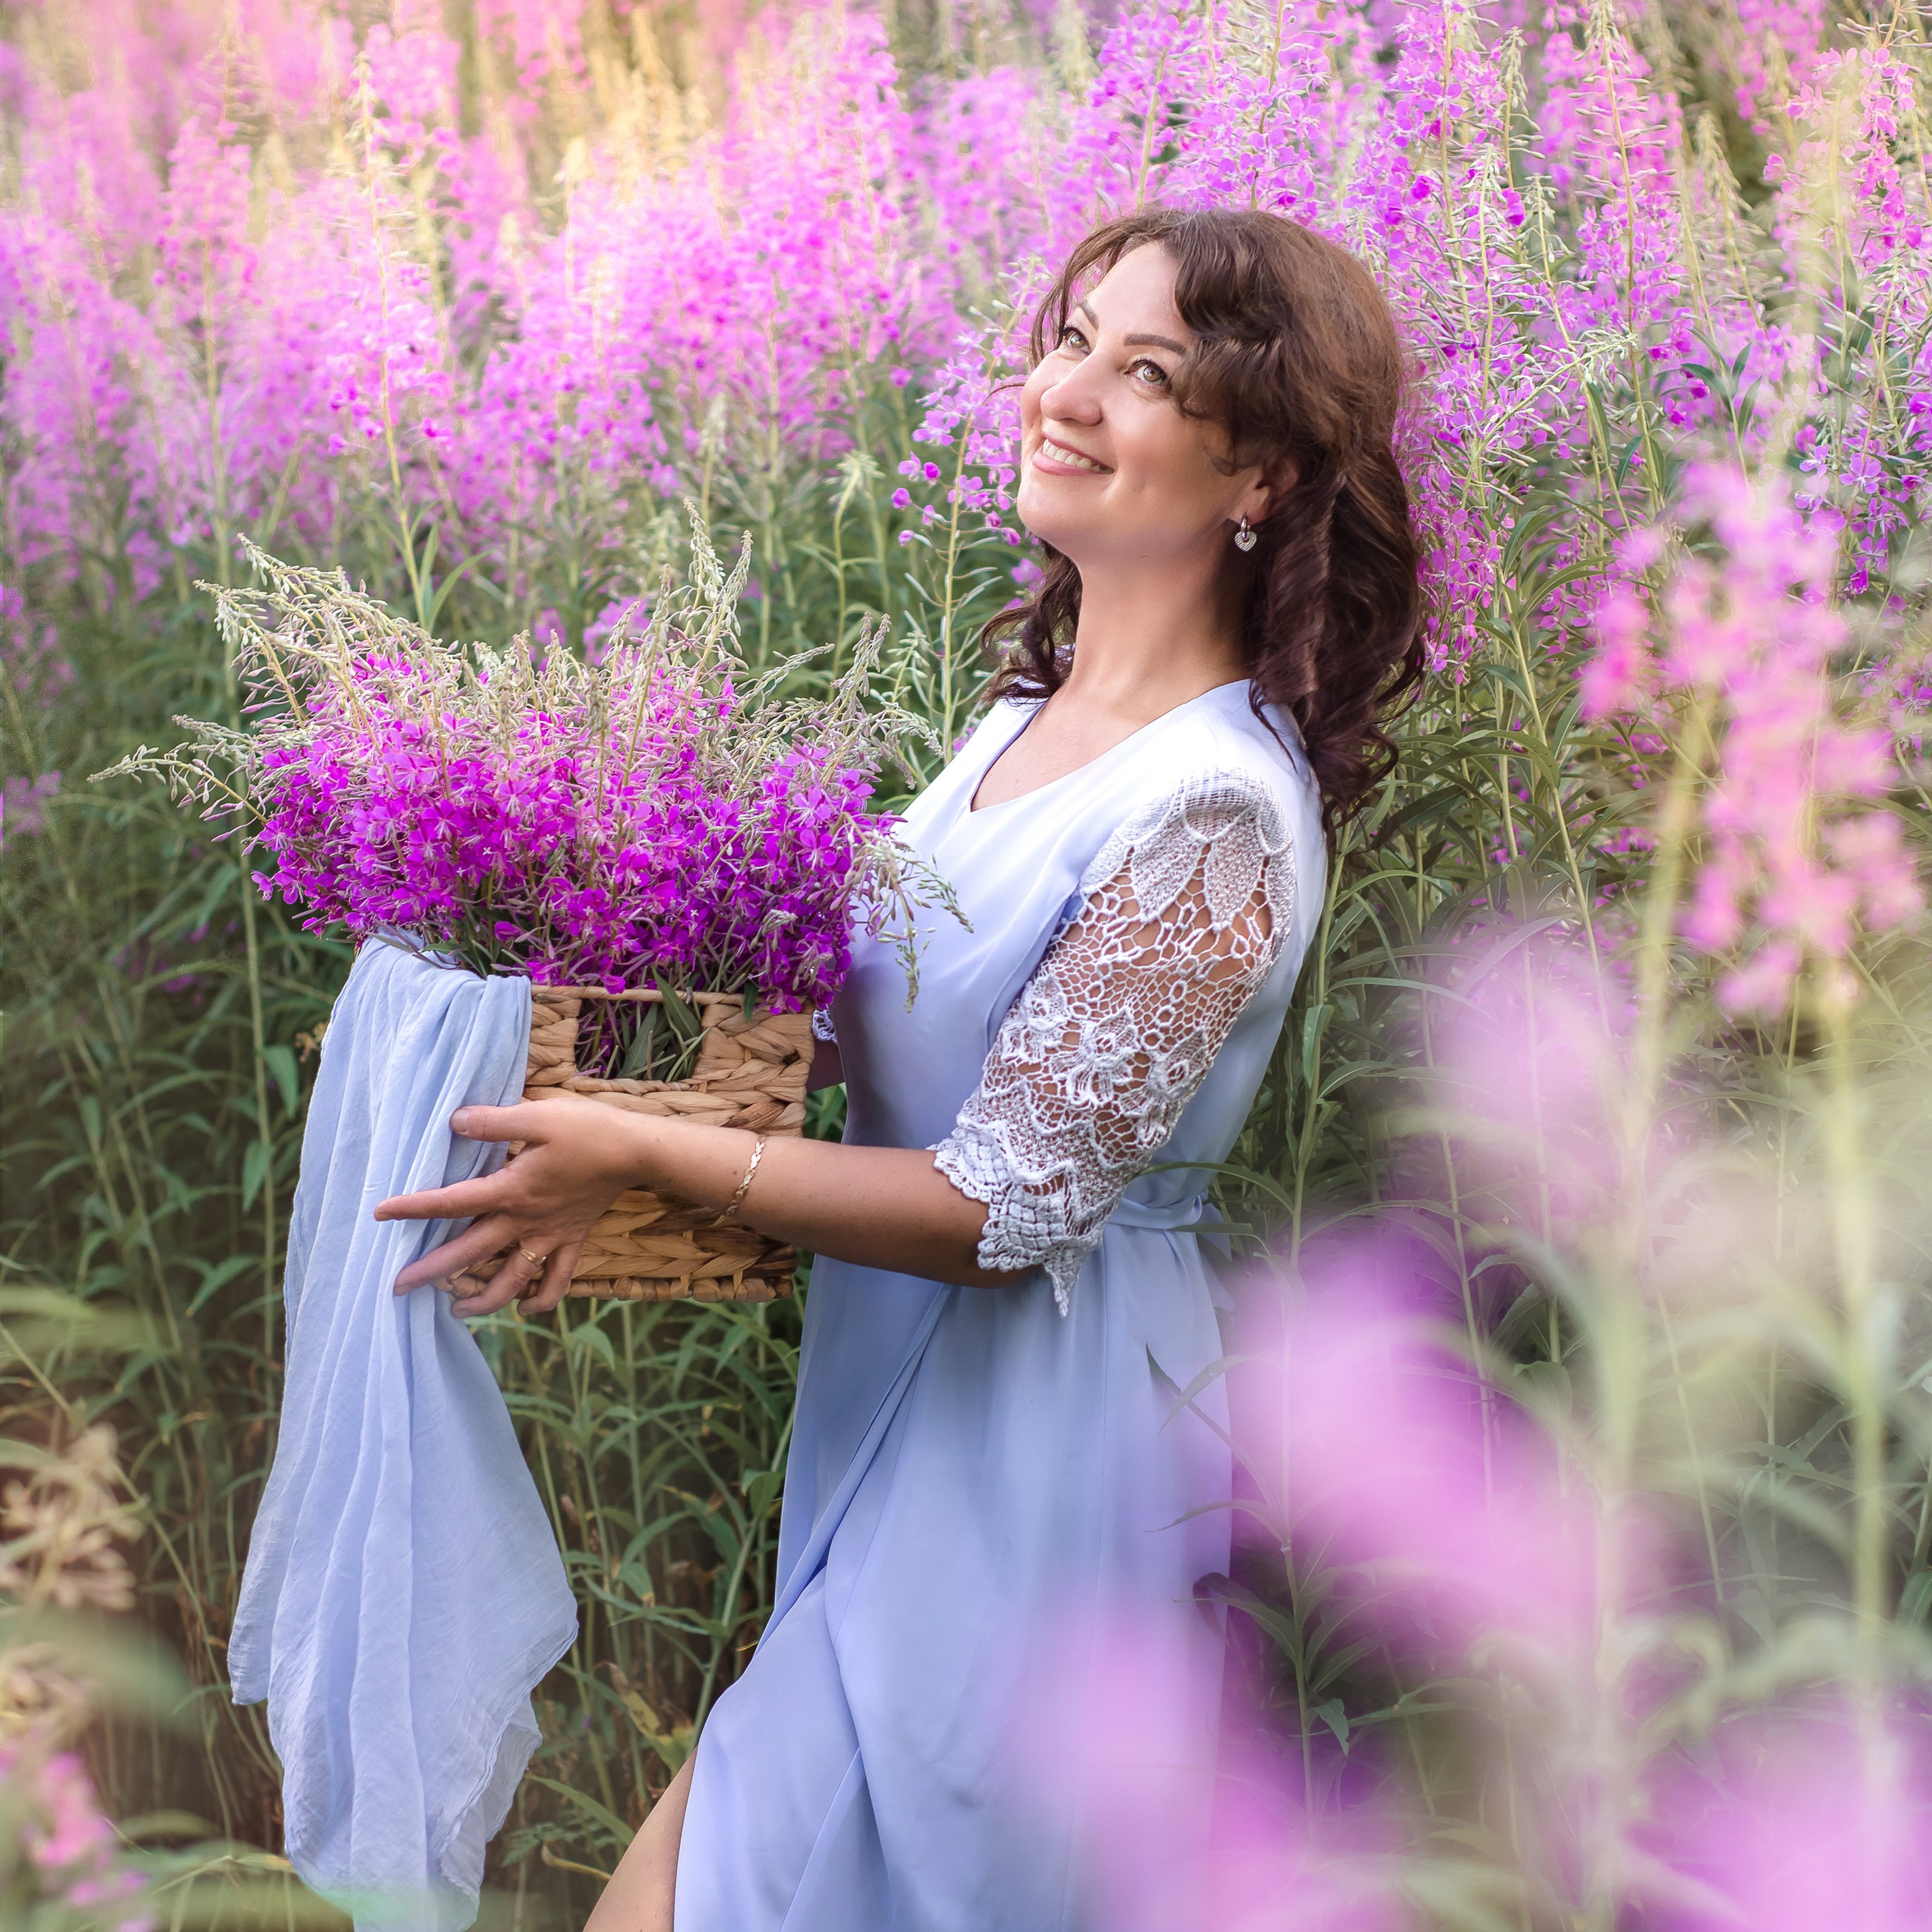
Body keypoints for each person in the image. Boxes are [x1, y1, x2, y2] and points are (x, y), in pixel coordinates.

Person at [376, 205, 1424, 1930]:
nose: (1062, 391)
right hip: (897, 1408)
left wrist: (650, 1161)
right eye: (1070, 336)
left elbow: (1001, 1202)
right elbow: (860, 1055)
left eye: (1143, 370)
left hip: (1043, 1449)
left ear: (1263, 476)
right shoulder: (1013, 730)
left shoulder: (1215, 809)